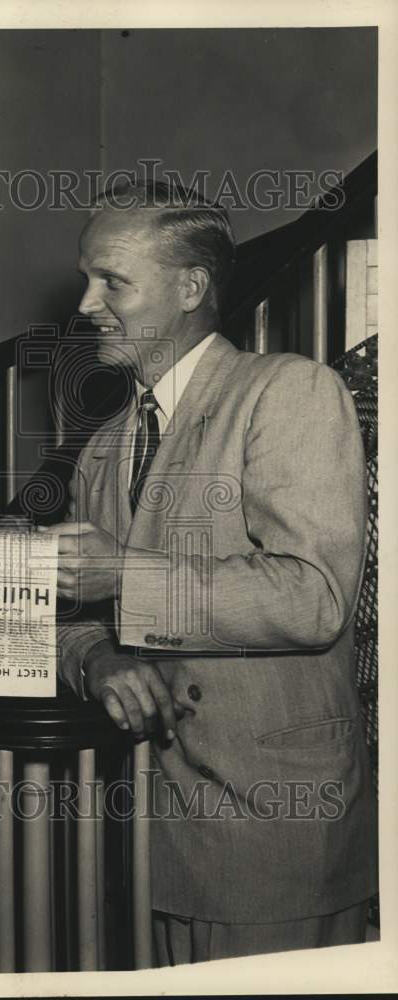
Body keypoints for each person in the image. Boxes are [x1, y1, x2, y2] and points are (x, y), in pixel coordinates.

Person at [47, 181, 377, 965]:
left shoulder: (287, 392)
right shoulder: (103, 444)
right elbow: (72, 611)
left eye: (112, 282)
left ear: (191, 288)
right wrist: (96, 657)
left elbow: (314, 598)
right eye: (87, 280)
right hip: (142, 844)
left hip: (273, 839)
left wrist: (122, 574)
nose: (88, 303)